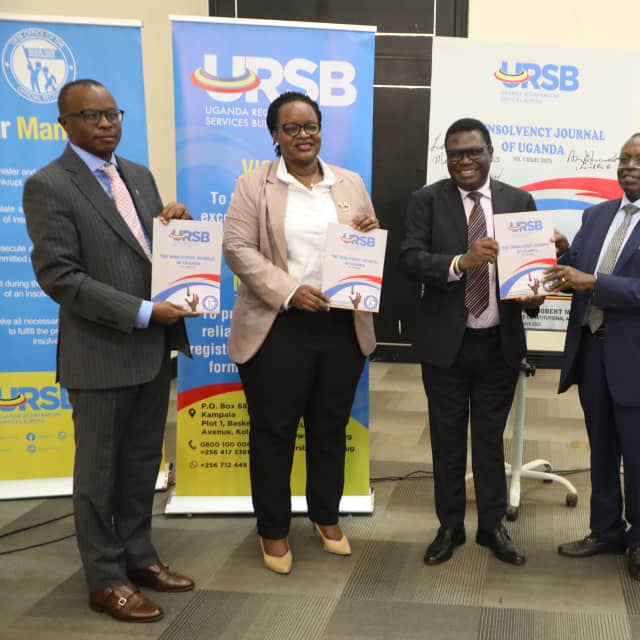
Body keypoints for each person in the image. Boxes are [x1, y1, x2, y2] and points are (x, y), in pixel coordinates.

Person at [23, 79, 198, 623]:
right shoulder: (49, 184)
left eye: (112, 114)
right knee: (97, 476)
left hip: (151, 352)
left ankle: (139, 558)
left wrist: (174, 235)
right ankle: (105, 579)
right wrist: (144, 312)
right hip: (100, 354)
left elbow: (140, 253)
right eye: (92, 116)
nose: (106, 124)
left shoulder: (138, 176)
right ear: (65, 123)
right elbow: (62, 277)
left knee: (142, 465)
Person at [223, 91, 377, 575]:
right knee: (274, 432)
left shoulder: (348, 182)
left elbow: (364, 244)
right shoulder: (254, 184)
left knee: (329, 428)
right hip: (279, 325)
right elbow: (237, 248)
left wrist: (368, 236)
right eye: (291, 128)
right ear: (275, 135)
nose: (303, 135)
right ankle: (273, 529)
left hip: (341, 325)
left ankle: (325, 518)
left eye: (310, 125)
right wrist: (289, 291)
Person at [542, 133, 640, 582]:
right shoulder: (595, 215)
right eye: (624, 159)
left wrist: (593, 282)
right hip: (593, 352)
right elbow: (581, 265)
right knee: (602, 449)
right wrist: (560, 253)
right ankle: (605, 530)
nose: (629, 166)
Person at [399, 118, 544, 567]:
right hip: (446, 343)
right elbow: (410, 259)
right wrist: (462, 261)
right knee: (446, 439)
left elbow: (530, 267)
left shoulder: (518, 201)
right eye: (455, 153)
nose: (464, 161)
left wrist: (535, 290)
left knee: (488, 438)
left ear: (490, 152)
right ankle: (449, 525)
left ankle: (492, 526)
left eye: (473, 152)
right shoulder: (426, 200)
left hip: (499, 341)